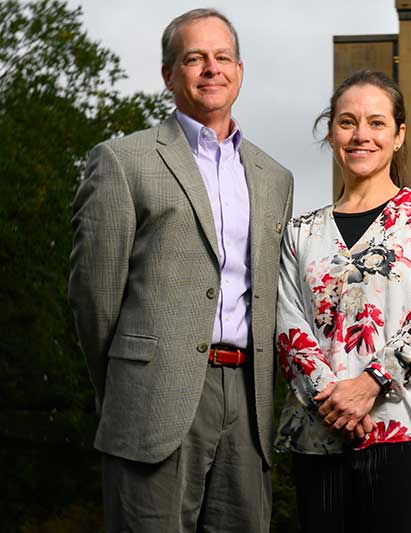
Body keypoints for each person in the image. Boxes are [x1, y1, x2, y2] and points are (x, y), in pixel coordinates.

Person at [68, 9, 292, 532]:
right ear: (170, 74)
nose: (211, 68)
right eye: (195, 58)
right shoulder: (123, 161)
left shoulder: (274, 177)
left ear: (239, 70)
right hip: (152, 398)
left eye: (222, 57)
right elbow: (93, 297)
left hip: (247, 402)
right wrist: (128, 382)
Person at [275, 69, 411, 533]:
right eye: (347, 122)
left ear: (399, 136)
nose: (361, 135)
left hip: (402, 423)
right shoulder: (299, 232)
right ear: (331, 132)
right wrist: (335, 402)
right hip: (320, 430)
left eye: (377, 123)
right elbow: (287, 326)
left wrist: (369, 387)